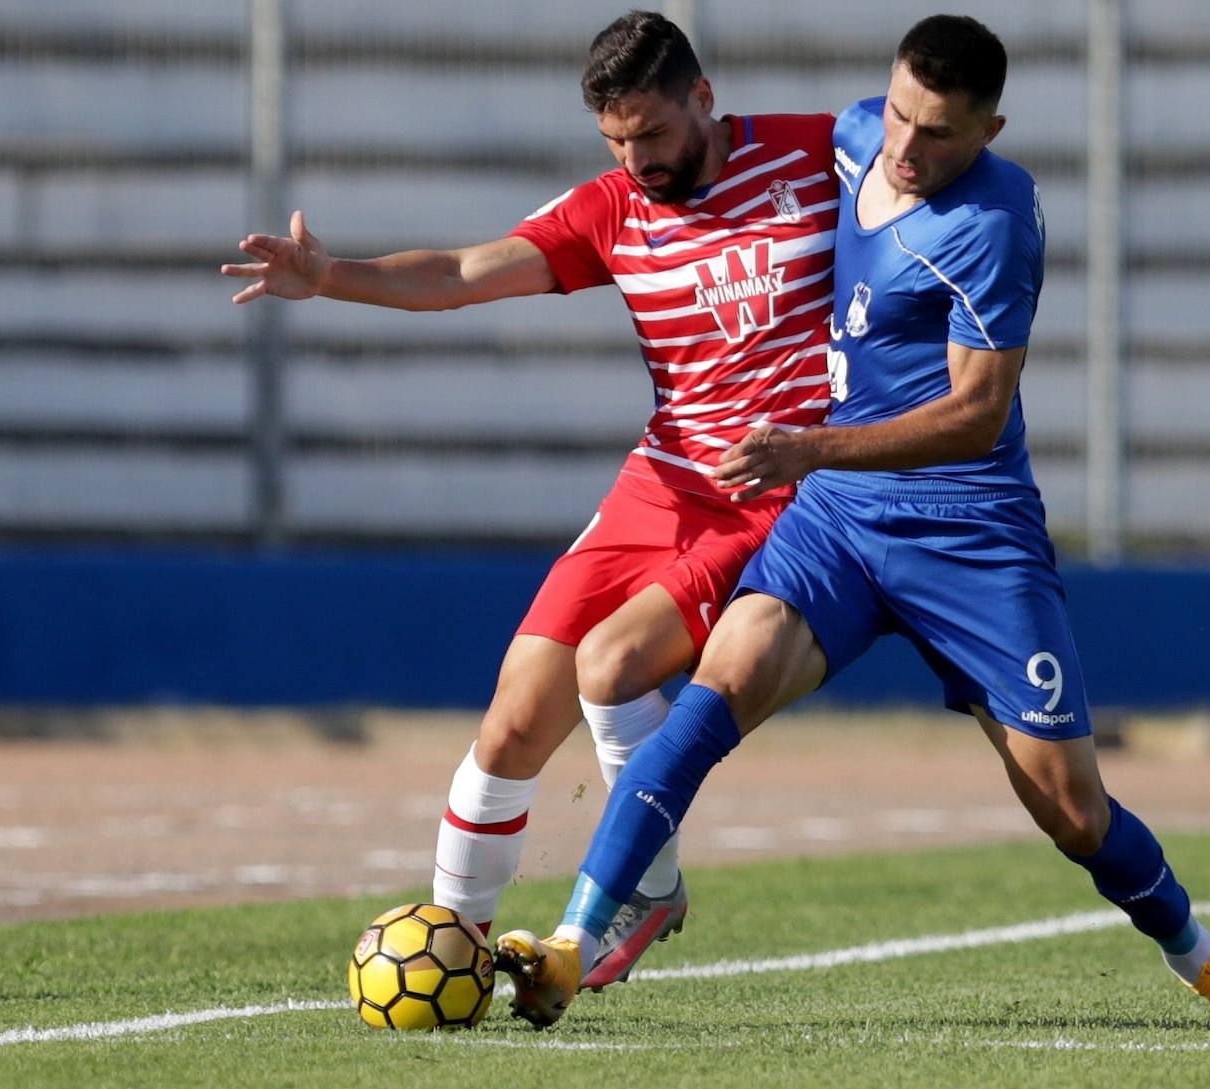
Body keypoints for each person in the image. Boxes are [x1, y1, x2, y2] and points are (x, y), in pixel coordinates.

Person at [492, 14, 1210, 1030]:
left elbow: (975, 417)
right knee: (717, 686)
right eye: (898, 115)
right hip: (839, 523)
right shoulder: (851, 138)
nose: (905, 148)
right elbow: (728, 170)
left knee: (1071, 811)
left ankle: (1202, 957)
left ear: (990, 129)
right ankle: (574, 944)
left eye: (938, 133)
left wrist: (809, 447)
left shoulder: (997, 221)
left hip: (969, 536)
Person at [221, 11, 837, 989]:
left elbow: (926, 184)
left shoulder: (820, 156)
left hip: (777, 495)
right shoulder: (613, 208)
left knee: (616, 667)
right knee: (512, 721)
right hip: (660, 485)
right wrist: (330, 277)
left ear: (705, 100)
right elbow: (466, 272)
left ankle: (647, 883)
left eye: (654, 135)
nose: (638, 159)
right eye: (617, 142)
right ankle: (452, 950)